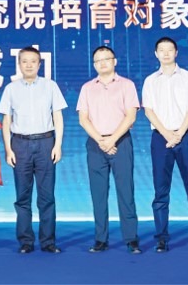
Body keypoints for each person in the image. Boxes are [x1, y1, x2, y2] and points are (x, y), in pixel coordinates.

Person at [142, 36, 188, 254]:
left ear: (176, 52)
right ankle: (161, 239)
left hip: (186, 136)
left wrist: (179, 133)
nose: (165, 53)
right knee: (160, 191)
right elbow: (148, 111)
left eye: (169, 49)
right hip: (160, 138)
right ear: (156, 54)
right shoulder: (150, 81)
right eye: (161, 50)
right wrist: (167, 134)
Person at [0, 46, 67, 254]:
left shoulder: (50, 86)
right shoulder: (11, 88)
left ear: (39, 64)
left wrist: (58, 144)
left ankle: (48, 241)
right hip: (20, 145)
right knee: (22, 196)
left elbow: (58, 117)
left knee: (47, 196)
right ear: (19, 64)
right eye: (24, 61)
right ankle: (26, 241)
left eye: (33, 61)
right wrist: (8, 149)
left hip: (46, 142)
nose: (28, 65)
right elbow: (6, 120)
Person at [77, 46, 142, 254]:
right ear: (94, 64)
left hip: (121, 143)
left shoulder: (127, 85)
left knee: (126, 192)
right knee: (98, 194)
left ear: (115, 61)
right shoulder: (87, 88)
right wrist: (100, 140)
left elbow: (131, 116)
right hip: (96, 144)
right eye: (98, 60)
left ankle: (131, 239)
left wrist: (112, 140)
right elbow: (83, 119)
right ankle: (100, 239)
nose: (102, 63)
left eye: (106, 59)